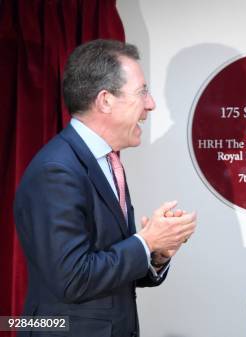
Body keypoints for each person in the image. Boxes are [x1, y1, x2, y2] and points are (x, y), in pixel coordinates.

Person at [13, 39, 197, 337]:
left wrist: (157, 254)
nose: (150, 104)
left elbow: (108, 267)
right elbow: (72, 278)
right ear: (105, 100)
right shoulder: (57, 170)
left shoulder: (107, 161)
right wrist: (145, 241)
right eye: (142, 92)